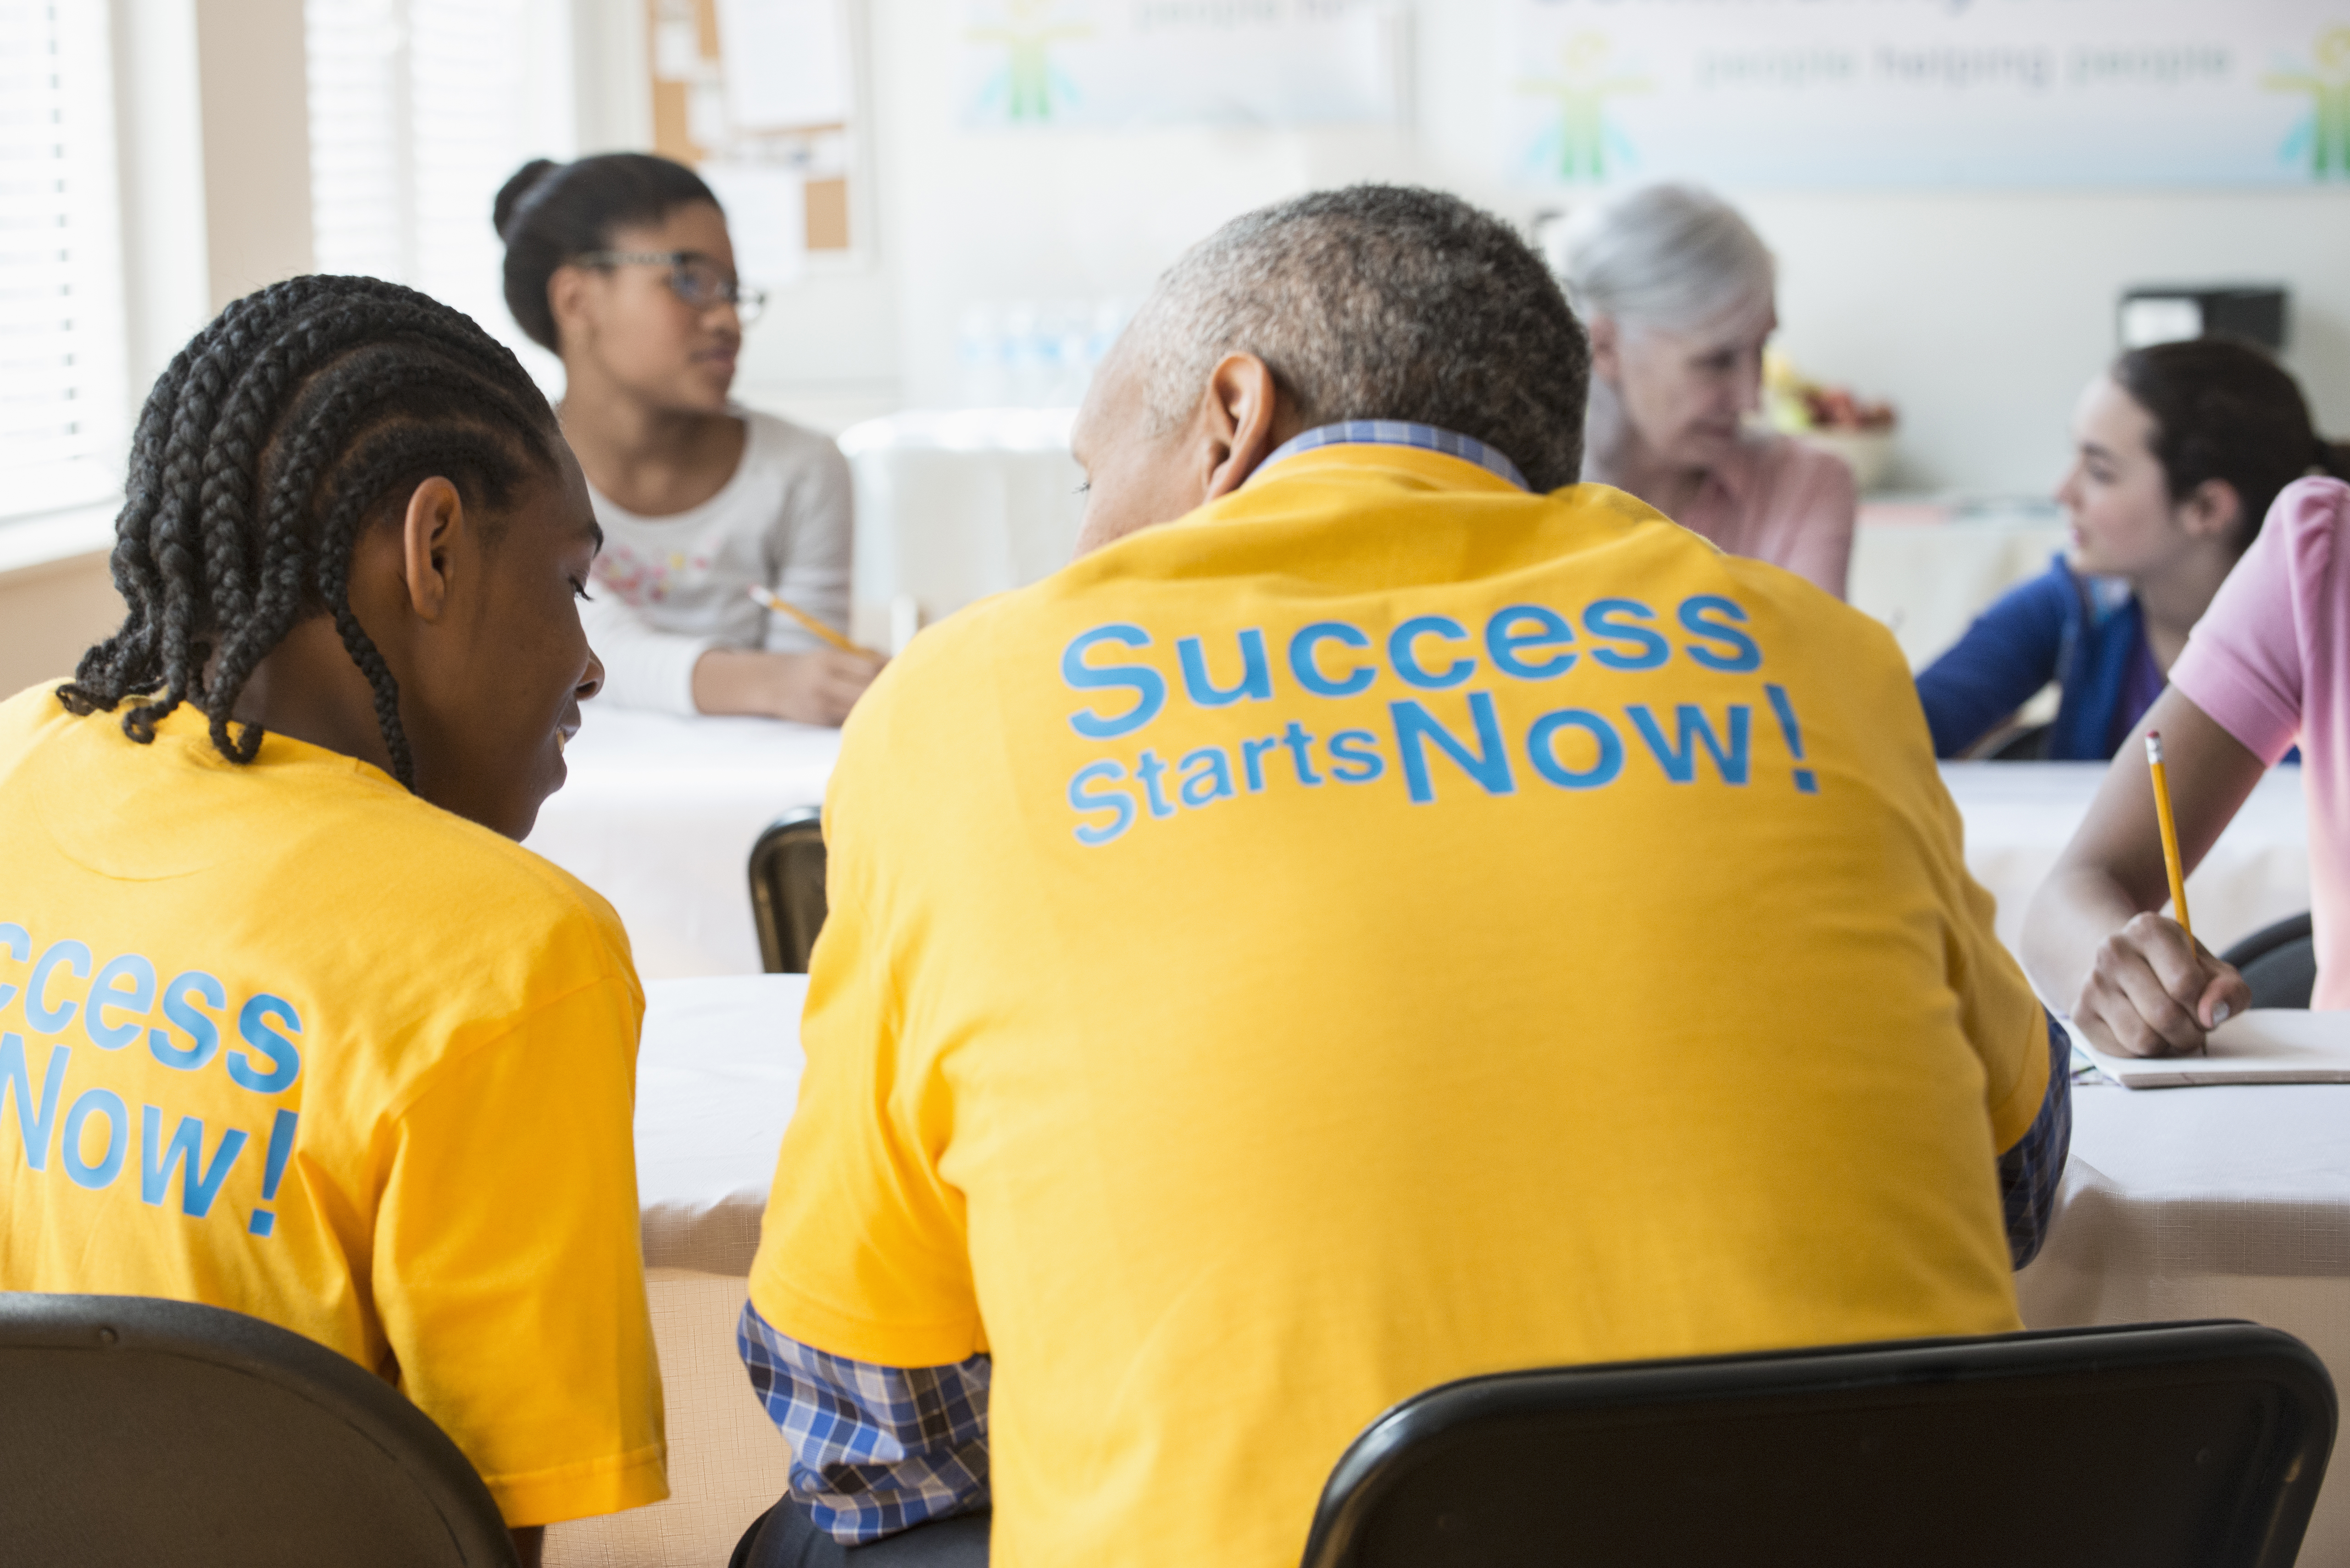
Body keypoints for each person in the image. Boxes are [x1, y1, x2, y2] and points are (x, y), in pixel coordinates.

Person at [730, 186, 2068, 1568]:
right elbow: (2015, 1180)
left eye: (1088, 478)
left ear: (1231, 416)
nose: (1079, 545)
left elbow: (868, 1410)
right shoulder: (1812, 652)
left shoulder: (975, 696)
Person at [0, 277, 667, 1565]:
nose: (589, 663)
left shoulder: (16, 761)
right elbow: (478, 1517)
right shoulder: (511, 949)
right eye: (571, 581)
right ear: (434, 547)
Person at [495, 153, 881, 724]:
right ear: (576, 300)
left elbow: (806, 700)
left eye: (731, 289)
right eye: (690, 280)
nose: (726, 318)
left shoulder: (803, 469)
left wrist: (808, 683)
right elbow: (585, 644)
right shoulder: (507, 469)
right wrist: (769, 681)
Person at [2023, 466, 2350, 1055]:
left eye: (2101, 469)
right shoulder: (2321, 555)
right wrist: (2131, 982)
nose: (2062, 489)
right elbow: (2067, 897)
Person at [1917, 339, 2343, 760]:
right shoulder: (2074, 602)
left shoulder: (2328, 650)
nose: (2062, 491)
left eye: (2100, 471)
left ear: (2206, 507)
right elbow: (1900, 731)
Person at [1556, 182, 1856, 598]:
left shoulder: (1803, 485)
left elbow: (1817, 662)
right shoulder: (1523, 496)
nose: (1751, 400)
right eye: (1716, 361)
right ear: (1604, 346)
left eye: (1762, 349)